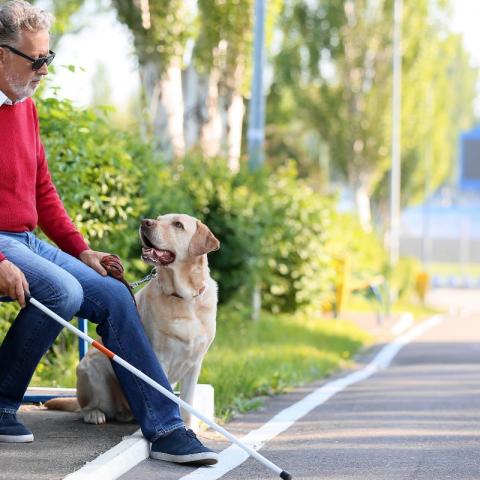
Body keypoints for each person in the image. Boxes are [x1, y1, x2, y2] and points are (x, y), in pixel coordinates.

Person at [0, 0, 218, 466]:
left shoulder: (25, 108)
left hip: (22, 239)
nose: (43, 70)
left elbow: (42, 192)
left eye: (48, 58)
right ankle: (1, 402)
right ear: (0, 55)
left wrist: (82, 250)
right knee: (59, 291)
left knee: (114, 294)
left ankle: (164, 428)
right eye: (34, 59)